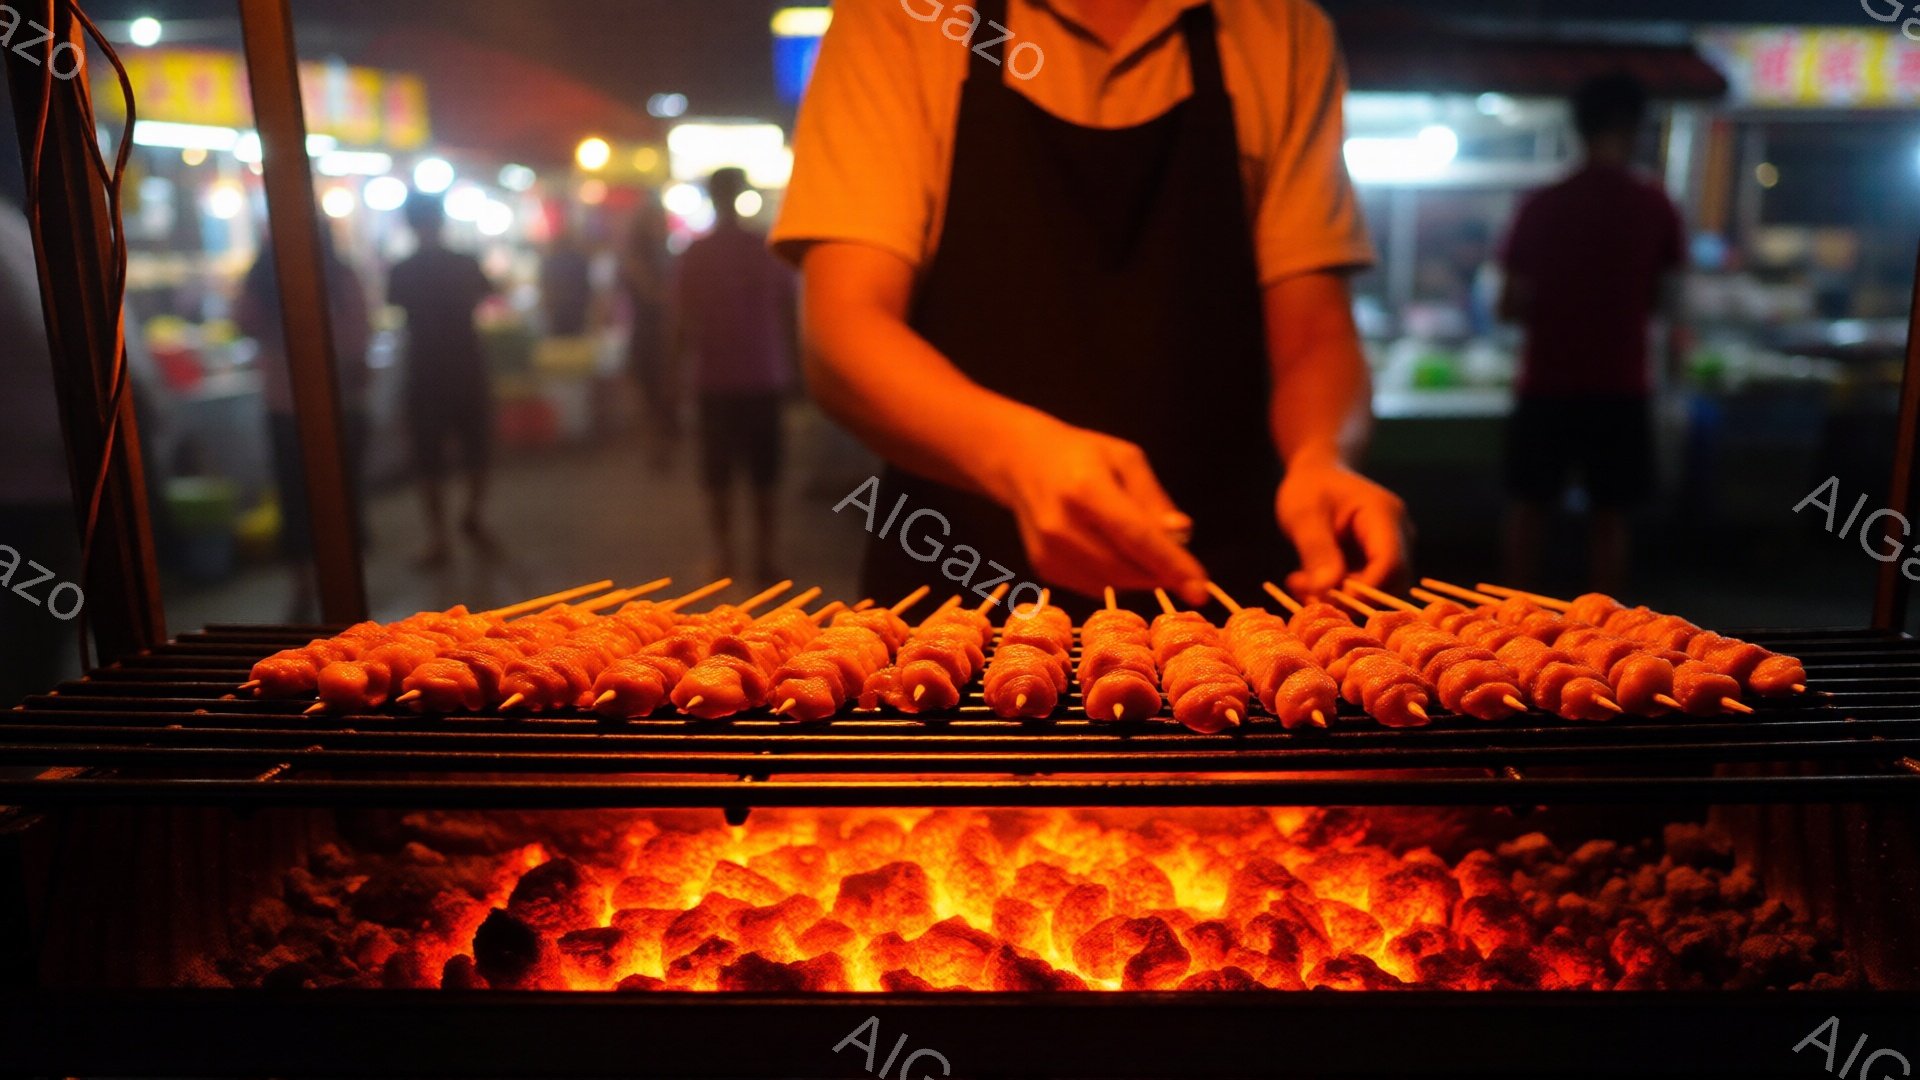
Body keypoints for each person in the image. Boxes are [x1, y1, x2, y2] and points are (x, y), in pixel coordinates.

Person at [772, 0, 1406, 614]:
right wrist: (1018, 456)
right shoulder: (905, 11)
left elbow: (1316, 331)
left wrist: (1322, 457)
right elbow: (841, 328)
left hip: (1228, 602)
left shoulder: (1281, 25)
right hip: (956, 591)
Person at [1498, 72, 1686, 594]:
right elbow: (1663, 302)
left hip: (1546, 384)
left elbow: (1509, 306)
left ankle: (1513, 624)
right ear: (1632, 126)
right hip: (1620, 385)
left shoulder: (1541, 205)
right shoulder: (1654, 205)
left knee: (1529, 510)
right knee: (1611, 517)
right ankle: (1608, 641)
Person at [236, 226, 372, 620]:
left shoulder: (263, 275)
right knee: (344, 495)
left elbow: (244, 323)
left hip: (285, 404)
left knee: (296, 498)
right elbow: (360, 335)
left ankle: (303, 588)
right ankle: (347, 583)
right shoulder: (341, 274)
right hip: (341, 403)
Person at [674, 167, 796, 581]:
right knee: (763, 476)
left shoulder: (696, 253)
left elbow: (680, 320)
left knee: (720, 476)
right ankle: (764, 558)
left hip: (717, 379)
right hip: (762, 375)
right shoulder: (766, 248)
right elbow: (792, 313)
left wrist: (672, 376)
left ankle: (726, 558)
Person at [387, 193, 499, 566]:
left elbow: (395, 309)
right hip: (467, 365)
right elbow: (490, 296)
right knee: (477, 450)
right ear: (442, 220)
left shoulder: (401, 270)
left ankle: (439, 539)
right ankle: (472, 517)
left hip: (425, 370)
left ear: (408, 224)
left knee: (428, 458)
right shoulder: (465, 263)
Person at [620, 199, 678, 470]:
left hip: (663, 330)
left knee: (662, 392)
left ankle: (661, 447)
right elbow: (650, 293)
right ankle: (656, 449)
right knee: (651, 392)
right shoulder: (638, 255)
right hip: (650, 331)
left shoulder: (663, 252)